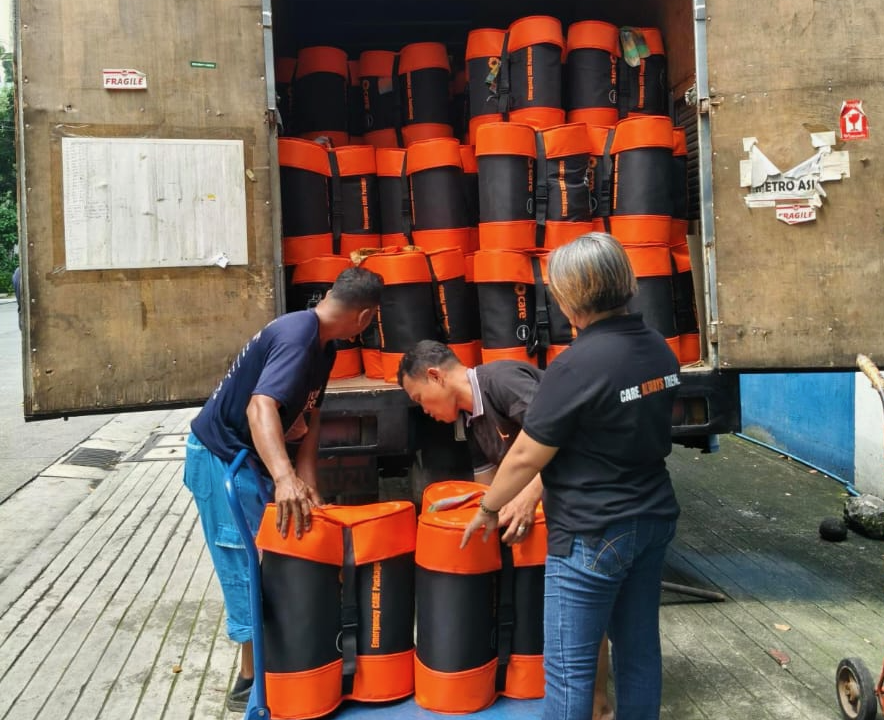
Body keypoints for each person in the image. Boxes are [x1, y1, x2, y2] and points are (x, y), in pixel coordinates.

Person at [461, 232, 681, 720]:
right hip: (652, 518)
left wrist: (488, 507)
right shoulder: (661, 351)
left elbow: (523, 457)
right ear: (626, 283)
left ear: (567, 297)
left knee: (570, 672)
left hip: (591, 531)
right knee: (639, 651)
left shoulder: (577, 366)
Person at [184, 266, 383, 712]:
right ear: (367, 317)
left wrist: (309, 486)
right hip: (222, 460)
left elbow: (308, 420)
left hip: (248, 460)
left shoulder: (321, 346)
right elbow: (261, 408)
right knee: (247, 568)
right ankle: (251, 684)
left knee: (270, 562)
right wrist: (283, 477)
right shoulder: (296, 337)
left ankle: (266, 670)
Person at [397, 340, 615, 720]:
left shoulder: (501, 380)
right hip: (561, 506)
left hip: (592, 500)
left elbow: (563, 434)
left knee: (586, 612)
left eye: (420, 398)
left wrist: (528, 499)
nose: (425, 411)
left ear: (436, 375)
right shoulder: (472, 420)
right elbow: (488, 486)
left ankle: (600, 708)